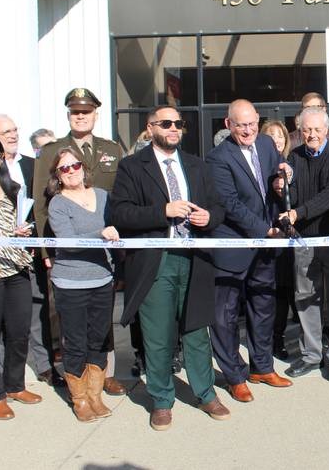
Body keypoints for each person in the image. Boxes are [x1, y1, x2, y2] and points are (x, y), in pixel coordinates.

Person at [111, 106, 230, 430]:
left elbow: (218, 206)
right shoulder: (133, 167)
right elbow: (120, 213)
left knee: (196, 330)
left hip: (195, 258)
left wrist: (210, 217)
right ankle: (161, 400)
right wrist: (162, 210)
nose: (174, 128)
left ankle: (205, 393)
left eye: (179, 123)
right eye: (166, 123)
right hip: (157, 260)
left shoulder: (196, 165)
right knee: (158, 334)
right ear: (151, 128)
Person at [33, 88, 126, 396]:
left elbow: (119, 197)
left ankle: (105, 373)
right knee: (68, 316)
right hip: (69, 247)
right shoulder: (52, 151)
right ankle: (73, 372)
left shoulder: (111, 147)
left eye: (86, 111)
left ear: (96, 114)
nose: (81, 116)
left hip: (105, 250)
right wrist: (47, 248)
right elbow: (40, 203)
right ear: (68, 116)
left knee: (102, 314)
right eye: (75, 112)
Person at [206, 99, 293, 403]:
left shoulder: (268, 143)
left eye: (251, 123)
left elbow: (273, 178)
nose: (247, 130)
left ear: (259, 119)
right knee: (225, 315)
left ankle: (262, 367)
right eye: (240, 125)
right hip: (235, 244)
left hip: (263, 249)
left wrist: (284, 180)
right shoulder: (218, 158)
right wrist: (264, 230)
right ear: (228, 125)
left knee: (263, 306)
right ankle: (234, 376)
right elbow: (230, 204)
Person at [0, 114, 63, 388]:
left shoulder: (34, 165)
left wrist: (42, 247)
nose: (13, 135)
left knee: (37, 312)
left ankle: (44, 366)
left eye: (15, 129)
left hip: (31, 251)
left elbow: (43, 208)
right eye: (6, 131)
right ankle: (2, 377)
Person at [279, 107, 329, 382]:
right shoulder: (294, 157)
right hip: (303, 239)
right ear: (299, 130)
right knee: (305, 298)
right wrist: (283, 186)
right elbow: (294, 195)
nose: (311, 134)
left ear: (327, 130)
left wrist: (299, 212)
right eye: (306, 130)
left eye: (317, 129)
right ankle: (311, 354)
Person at [46, 148, 118, 422]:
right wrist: (100, 234)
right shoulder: (58, 204)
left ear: (83, 167)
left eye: (74, 165)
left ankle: (95, 396)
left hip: (102, 279)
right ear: (57, 176)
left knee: (98, 340)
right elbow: (68, 242)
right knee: (75, 342)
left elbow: (116, 229)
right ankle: (80, 400)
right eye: (64, 168)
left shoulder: (102, 196)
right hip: (71, 282)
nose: (71, 171)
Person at [0, 133, 39, 420]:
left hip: (16, 268)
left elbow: (15, 225)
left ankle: (14, 385)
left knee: (19, 331)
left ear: (2, 158)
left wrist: (22, 231)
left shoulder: (12, 187)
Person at [260, 119, 294, 360]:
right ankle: (269, 340)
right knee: (268, 293)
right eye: (271, 136)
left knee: (286, 291)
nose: (277, 140)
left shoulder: (292, 166)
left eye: (280, 136)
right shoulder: (259, 166)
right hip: (266, 235)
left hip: (289, 239)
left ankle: (279, 338)